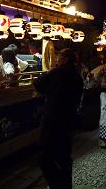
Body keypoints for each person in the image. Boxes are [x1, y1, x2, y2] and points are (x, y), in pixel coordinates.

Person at [33, 48, 83, 189]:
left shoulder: (58, 72)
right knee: (64, 156)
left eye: (59, 56)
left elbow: (38, 84)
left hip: (52, 121)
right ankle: (66, 185)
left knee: (44, 156)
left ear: (65, 59)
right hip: (68, 121)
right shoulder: (78, 77)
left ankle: (56, 184)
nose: (57, 59)